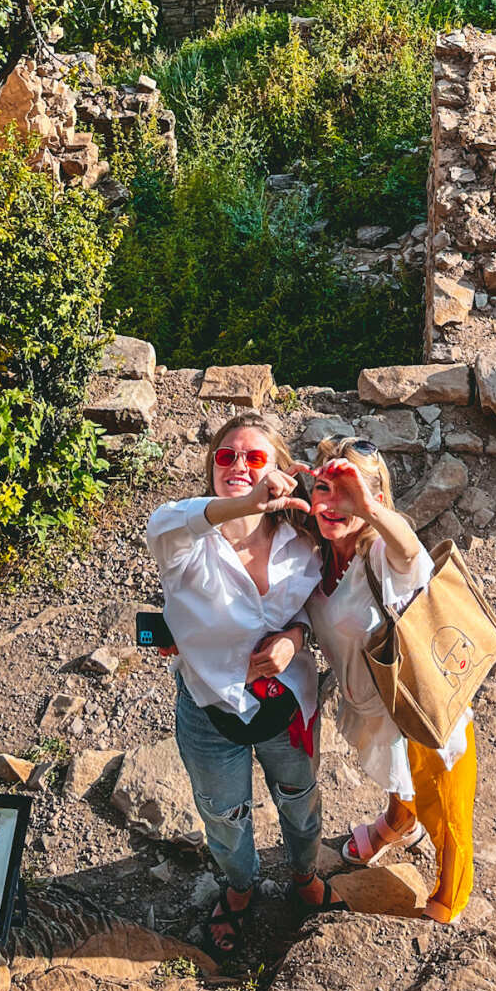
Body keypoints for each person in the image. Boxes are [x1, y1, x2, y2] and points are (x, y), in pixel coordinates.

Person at [145, 412, 341, 962]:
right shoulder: (184, 540)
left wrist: (294, 639)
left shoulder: (304, 542)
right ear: (211, 466)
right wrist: (250, 502)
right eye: (226, 456)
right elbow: (167, 522)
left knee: (299, 795)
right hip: (210, 710)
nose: (238, 465)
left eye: (254, 458)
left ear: (279, 469)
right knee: (223, 812)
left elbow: (313, 610)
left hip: (287, 706)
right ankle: (239, 885)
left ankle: (304, 872)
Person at [305, 436, 479, 925]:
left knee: (445, 807)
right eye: (325, 489)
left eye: (350, 494)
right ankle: (399, 821)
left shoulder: (383, 553)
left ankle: (449, 900)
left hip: (421, 703)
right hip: (374, 701)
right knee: (397, 774)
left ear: (375, 500)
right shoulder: (315, 551)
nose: (334, 504)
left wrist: (370, 511)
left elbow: (410, 551)